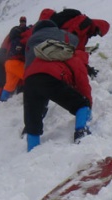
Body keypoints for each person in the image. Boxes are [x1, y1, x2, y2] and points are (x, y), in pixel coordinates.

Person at [23, 20, 92, 152]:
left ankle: (32, 151)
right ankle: (81, 133)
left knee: (33, 121)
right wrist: (87, 105)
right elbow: (84, 86)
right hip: (50, 78)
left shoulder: (44, 54)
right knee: (81, 104)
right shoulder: (74, 58)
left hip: (29, 79)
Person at [0, 16, 30, 101]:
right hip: (16, 61)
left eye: (23, 21)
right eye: (22, 21)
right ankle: (32, 98)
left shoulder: (13, 33)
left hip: (8, 62)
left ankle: (2, 102)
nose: (23, 23)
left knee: (9, 85)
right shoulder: (24, 34)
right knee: (29, 76)